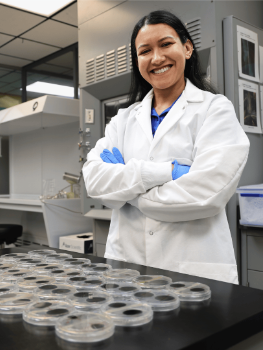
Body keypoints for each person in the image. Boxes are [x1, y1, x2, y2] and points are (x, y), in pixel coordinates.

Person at [82, 10, 249, 284]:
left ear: (187, 47)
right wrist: (166, 172)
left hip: (192, 272)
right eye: (145, 50)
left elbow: (207, 193)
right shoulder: (123, 119)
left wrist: (129, 192)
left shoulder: (214, 109)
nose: (157, 58)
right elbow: (95, 182)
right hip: (128, 266)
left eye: (166, 44)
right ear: (137, 61)